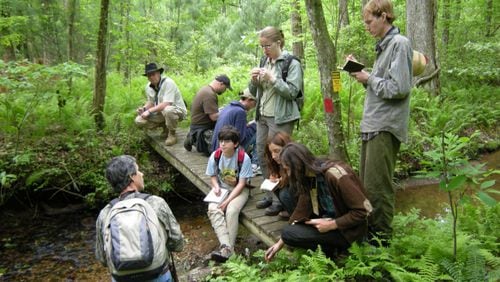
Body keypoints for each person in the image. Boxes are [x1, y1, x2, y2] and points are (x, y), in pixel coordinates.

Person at [348, 0, 412, 240]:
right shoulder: (383, 47)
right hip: (373, 124)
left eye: (369, 21)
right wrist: (366, 77)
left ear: (384, 16)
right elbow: (382, 87)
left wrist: (369, 78)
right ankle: (371, 234)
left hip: (385, 126)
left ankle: (381, 242)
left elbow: (399, 88)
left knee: (378, 187)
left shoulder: (400, 43)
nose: (367, 27)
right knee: (367, 185)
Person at [264, 143, 372, 261]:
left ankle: (336, 249)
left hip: (349, 231)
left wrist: (332, 224)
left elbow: (364, 211)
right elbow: (302, 209)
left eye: (288, 169)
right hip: (328, 222)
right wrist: (279, 243)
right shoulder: (309, 175)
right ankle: (330, 249)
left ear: (298, 165)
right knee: (288, 232)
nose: (288, 174)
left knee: (289, 233)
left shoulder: (335, 175)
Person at [95, 155, 184, 282]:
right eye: (138, 170)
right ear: (131, 176)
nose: (142, 174)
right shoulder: (156, 203)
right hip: (158, 276)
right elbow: (177, 243)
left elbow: (102, 258)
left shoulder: (105, 213)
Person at [249, 26, 303, 216]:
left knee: (281, 159)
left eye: (267, 46)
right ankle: (272, 195)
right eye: (262, 46)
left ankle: (285, 200)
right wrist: (254, 80)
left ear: (278, 43)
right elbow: (255, 92)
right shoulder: (265, 60)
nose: (264, 50)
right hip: (262, 116)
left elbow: (292, 92)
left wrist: (273, 79)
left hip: (281, 118)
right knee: (262, 156)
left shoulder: (291, 63)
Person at [205, 126, 253, 262]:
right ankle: (226, 247)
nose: (222, 144)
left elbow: (242, 184)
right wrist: (215, 187)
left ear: (236, 144)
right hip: (222, 188)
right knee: (213, 208)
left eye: (227, 141)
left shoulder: (244, 158)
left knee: (231, 210)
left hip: (240, 190)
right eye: (221, 141)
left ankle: (228, 250)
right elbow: (212, 176)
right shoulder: (216, 155)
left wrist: (226, 202)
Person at [135, 63, 187, 146]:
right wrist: (144, 109)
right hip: (161, 111)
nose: (151, 77)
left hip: (177, 111)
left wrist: (149, 111)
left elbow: (167, 103)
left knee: (168, 110)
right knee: (139, 120)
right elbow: (151, 102)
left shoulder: (169, 83)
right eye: (149, 75)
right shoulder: (148, 87)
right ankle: (165, 127)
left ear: (159, 73)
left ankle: (172, 134)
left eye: (153, 74)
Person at [184, 74, 233, 156]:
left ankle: (192, 136)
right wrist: (227, 111)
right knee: (220, 149)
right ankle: (194, 139)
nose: (224, 91)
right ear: (221, 84)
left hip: (197, 125)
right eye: (225, 88)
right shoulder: (209, 94)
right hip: (203, 129)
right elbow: (214, 117)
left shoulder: (205, 89)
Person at [210, 88, 257, 161]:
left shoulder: (228, 107)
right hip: (226, 150)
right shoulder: (240, 112)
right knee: (260, 131)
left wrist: (248, 125)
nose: (255, 106)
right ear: (249, 99)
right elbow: (240, 138)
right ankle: (255, 163)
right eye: (255, 102)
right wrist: (255, 125)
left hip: (217, 148)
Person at [263, 131, 293, 219]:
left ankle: (296, 214)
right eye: (271, 152)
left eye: (277, 151)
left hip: (302, 196)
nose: (273, 156)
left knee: (284, 193)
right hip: (291, 190)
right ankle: (290, 210)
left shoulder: (295, 159)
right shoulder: (275, 161)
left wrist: (283, 180)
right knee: (275, 186)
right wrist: (275, 177)